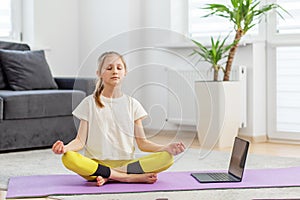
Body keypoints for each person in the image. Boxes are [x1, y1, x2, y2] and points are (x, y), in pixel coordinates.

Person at [52, 51, 185, 186]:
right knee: (68, 158)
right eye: (109, 68)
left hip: (126, 165)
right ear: (99, 73)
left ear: (125, 72)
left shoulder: (133, 104)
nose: (114, 71)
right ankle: (126, 178)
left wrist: (166, 147)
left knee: (167, 158)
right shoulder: (89, 103)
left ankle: (110, 175)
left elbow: (143, 143)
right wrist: (65, 148)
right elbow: (80, 141)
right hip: (95, 165)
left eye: (119, 68)